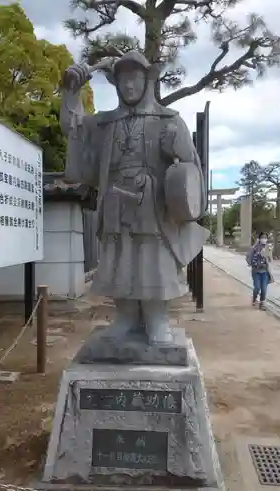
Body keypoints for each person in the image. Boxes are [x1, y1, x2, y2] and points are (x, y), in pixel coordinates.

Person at [60, 51, 206, 345]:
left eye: (135, 79)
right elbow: (74, 128)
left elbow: (191, 166)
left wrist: (175, 149)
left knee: (152, 259)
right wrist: (70, 93)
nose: (129, 86)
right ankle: (125, 318)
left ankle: (156, 320)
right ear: (116, 84)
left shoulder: (170, 120)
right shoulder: (105, 124)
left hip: (153, 202)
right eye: (123, 80)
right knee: (119, 259)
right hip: (115, 199)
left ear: (147, 81)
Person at [246, 232, 273, 310]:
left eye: (265, 238)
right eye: (262, 237)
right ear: (259, 238)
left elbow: (271, 260)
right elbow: (248, 257)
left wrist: (268, 254)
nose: (264, 239)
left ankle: (262, 303)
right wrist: (252, 263)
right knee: (257, 287)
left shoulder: (268, 248)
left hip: (265, 271)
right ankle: (254, 298)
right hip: (256, 271)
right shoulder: (254, 247)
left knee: (264, 288)